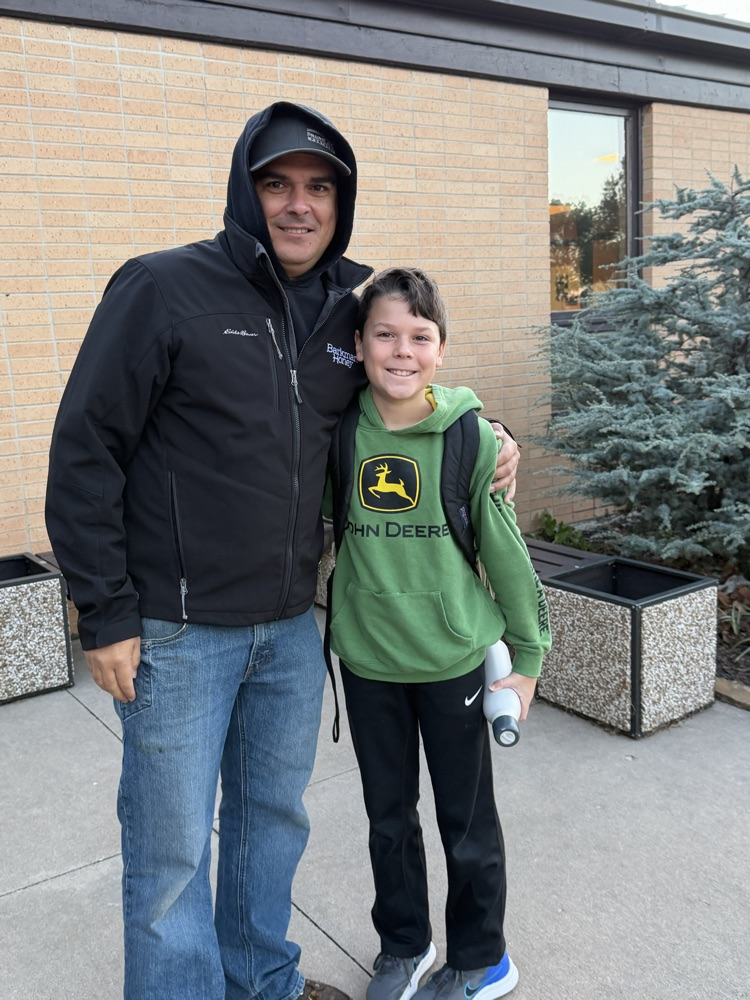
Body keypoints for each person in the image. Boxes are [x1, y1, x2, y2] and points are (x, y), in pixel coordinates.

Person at [45, 104, 521, 1000]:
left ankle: (261, 980)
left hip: (292, 632)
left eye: (319, 186)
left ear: (341, 202)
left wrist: (486, 430)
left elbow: (405, 385)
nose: (298, 204)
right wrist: (103, 611)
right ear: (245, 189)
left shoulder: (349, 309)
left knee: (272, 827)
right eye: (277, 183)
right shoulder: (162, 289)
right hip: (176, 632)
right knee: (172, 854)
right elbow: (85, 448)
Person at [325, 268, 551, 1000]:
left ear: (442, 349)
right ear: (358, 345)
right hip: (368, 661)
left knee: (466, 822)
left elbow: (506, 555)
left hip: (453, 660)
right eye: (384, 334)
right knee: (387, 818)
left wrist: (528, 659)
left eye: (419, 337)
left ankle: (484, 958)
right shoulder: (337, 433)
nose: (401, 351)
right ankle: (405, 946)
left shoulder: (469, 437)